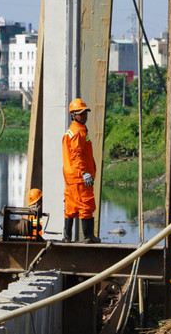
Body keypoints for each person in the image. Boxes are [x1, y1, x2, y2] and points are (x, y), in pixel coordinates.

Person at [62, 98, 100, 243]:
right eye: (81, 113)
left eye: (85, 113)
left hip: (71, 177)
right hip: (79, 177)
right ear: (73, 115)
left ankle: (67, 237)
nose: (84, 116)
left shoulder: (73, 131)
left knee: (71, 206)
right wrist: (84, 173)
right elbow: (77, 155)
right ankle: (88, 236)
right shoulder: (78, 132)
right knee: (86, 205)